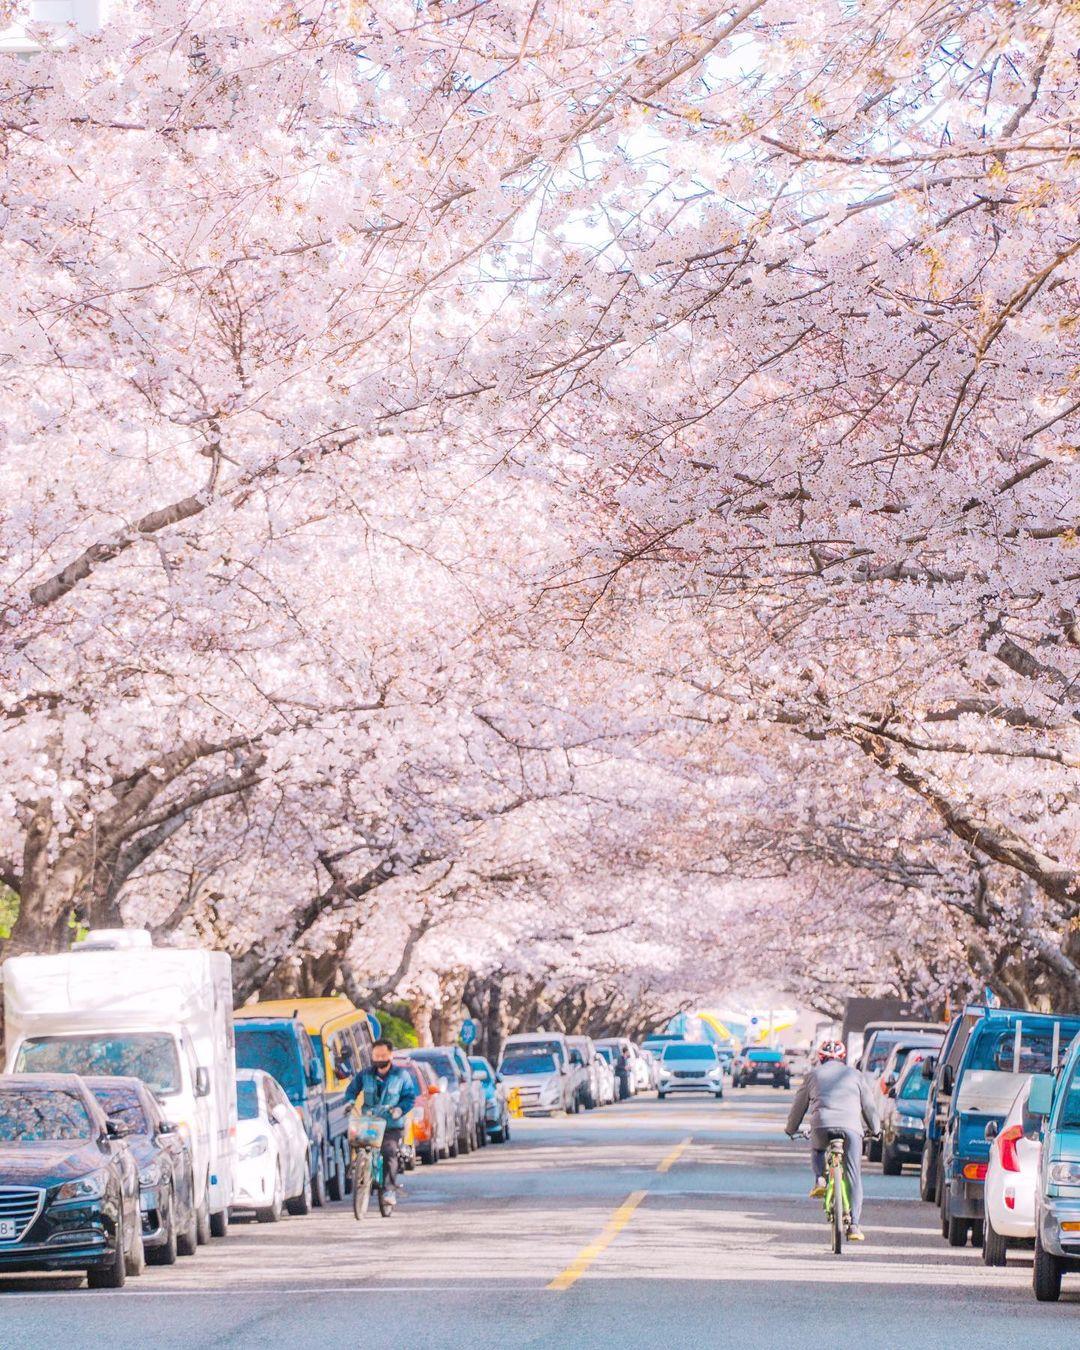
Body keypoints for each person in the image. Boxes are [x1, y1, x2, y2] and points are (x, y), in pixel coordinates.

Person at [785, 1037, 880, 1242]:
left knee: (818, 1149)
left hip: (822, 1124)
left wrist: (791, 1129)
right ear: (843, 1058)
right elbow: (869, 1106)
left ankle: (820, 1178)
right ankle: (854, 1225)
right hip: (851, 1128)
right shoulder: (856, 1075)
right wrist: (876, 1129)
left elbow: (798, 1106)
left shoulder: (812, 1076)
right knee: (853, 1175)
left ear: (820, 1058)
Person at [345, 1037, 417, 1205]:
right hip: (369, 1122)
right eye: (376, 1056)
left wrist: (399, 1109)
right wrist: (349, 1104)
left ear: (390, 1055)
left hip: (391, 1125)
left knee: (389, 1151)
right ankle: (361, 1174)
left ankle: (389, 1191)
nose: (379, 1059)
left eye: (383, 1055)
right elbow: (351, 1091)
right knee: (356, 1143)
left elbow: (409, 1098)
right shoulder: (365, 1075)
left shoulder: (401, 1076)